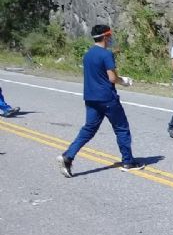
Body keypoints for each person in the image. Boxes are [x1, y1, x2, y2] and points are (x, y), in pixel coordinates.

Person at [56, 24, 142, 177]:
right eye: (110, 36)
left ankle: (68, 156)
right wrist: (125, 81)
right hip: (107, 98)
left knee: (88, 129)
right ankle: (128, 161)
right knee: (122, 128)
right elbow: (112, 78)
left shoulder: (88, 54)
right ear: (105, 36)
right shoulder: (106, 54)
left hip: (91, 97)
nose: (111, 39)